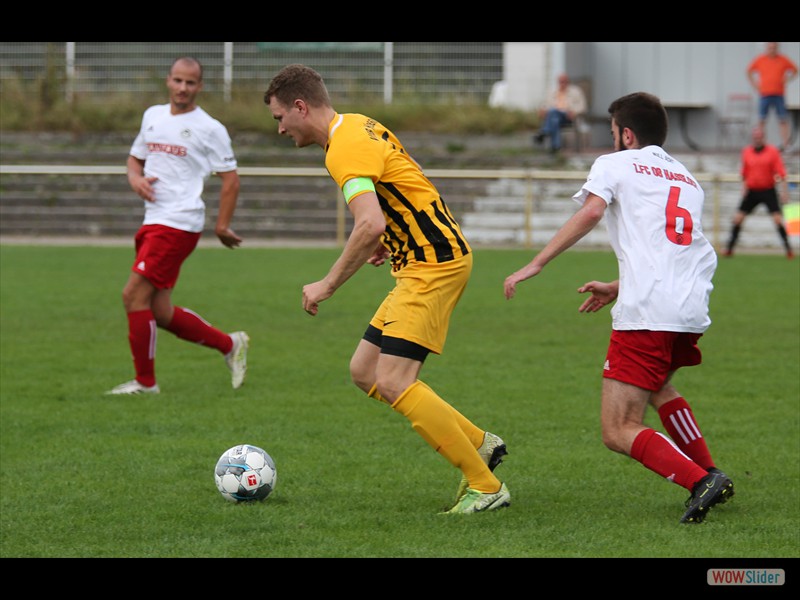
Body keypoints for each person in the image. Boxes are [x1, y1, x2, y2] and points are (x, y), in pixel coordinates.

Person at [264, 64, 509, 514]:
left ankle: (485, 485)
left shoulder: (343, 150)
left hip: (432, 263)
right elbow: (402, 186)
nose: (280, 129)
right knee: (366, 371)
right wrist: (390, 236)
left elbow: (369, 222)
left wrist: (328, 283)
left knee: (394, 381)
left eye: (280, 117)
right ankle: (479, 443)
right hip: (423, 255)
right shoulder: (358, 124)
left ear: (301, 107)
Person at [505, 92, 734, 524]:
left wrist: (537, 263)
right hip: (688, 306)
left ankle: (700, 480)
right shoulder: (687, 178)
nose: (613, 140)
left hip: (648, 311)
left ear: (626, 135)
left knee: (618, 429)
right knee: (657, 387)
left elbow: (592, 212)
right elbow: (671, 250)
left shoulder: (616, 163)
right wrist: (617, 285)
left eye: (613, 132)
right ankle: (711, 471)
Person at [106, 57, 249, 395]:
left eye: (190, 82)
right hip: (154, 220)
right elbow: (135, 159)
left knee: (132, 296)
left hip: (178, 222)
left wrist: (222, 226)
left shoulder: (210, 127)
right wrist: (135, 179)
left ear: (200, 86)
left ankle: (146, 383)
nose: (183, 88)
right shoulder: (152, 116)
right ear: (168, 80)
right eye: (178, 80)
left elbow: (230, 180)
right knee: (159, 310)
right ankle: (231, 344)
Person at [724, 125, 794, 259]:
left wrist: (784, 193)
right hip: (752, 191)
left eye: (759, 136)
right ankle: (729, 249)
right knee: (737, 219)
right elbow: (744, 173)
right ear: (753, 138)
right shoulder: (747, 152)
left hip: (768, 190)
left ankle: (788, 249)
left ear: (763, 137)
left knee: (777, 220)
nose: (757, 139)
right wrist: (744, 188)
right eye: (755, 137)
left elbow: (782, 174)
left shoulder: (772, 152)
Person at [747, 42, 798, 152]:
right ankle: (761, 144)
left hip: (779, 94)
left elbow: (795, 70)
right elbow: (749, 71)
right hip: (764, 94)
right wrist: (755, 85)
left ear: (777, 48)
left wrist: (787, 80)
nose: (772, 50)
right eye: (770, 47)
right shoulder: (760, 59)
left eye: (774, 47)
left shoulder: (783, 59)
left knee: (783, 119)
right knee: (762, 119)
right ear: (767, 48)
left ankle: (786, 145)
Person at [533, 73, 587, 154]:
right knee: (554, 118)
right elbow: (544, 105)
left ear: (568, 82)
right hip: (555, 116)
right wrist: (542, 110)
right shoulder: (552, 92)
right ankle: (555, 147)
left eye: (564, 81)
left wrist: (574, 112)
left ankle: (544, 132)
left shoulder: (576, 91)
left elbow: (582, 106)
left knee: (553, 113)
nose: (562, 84)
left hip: (568, 117)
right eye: (560, 82)